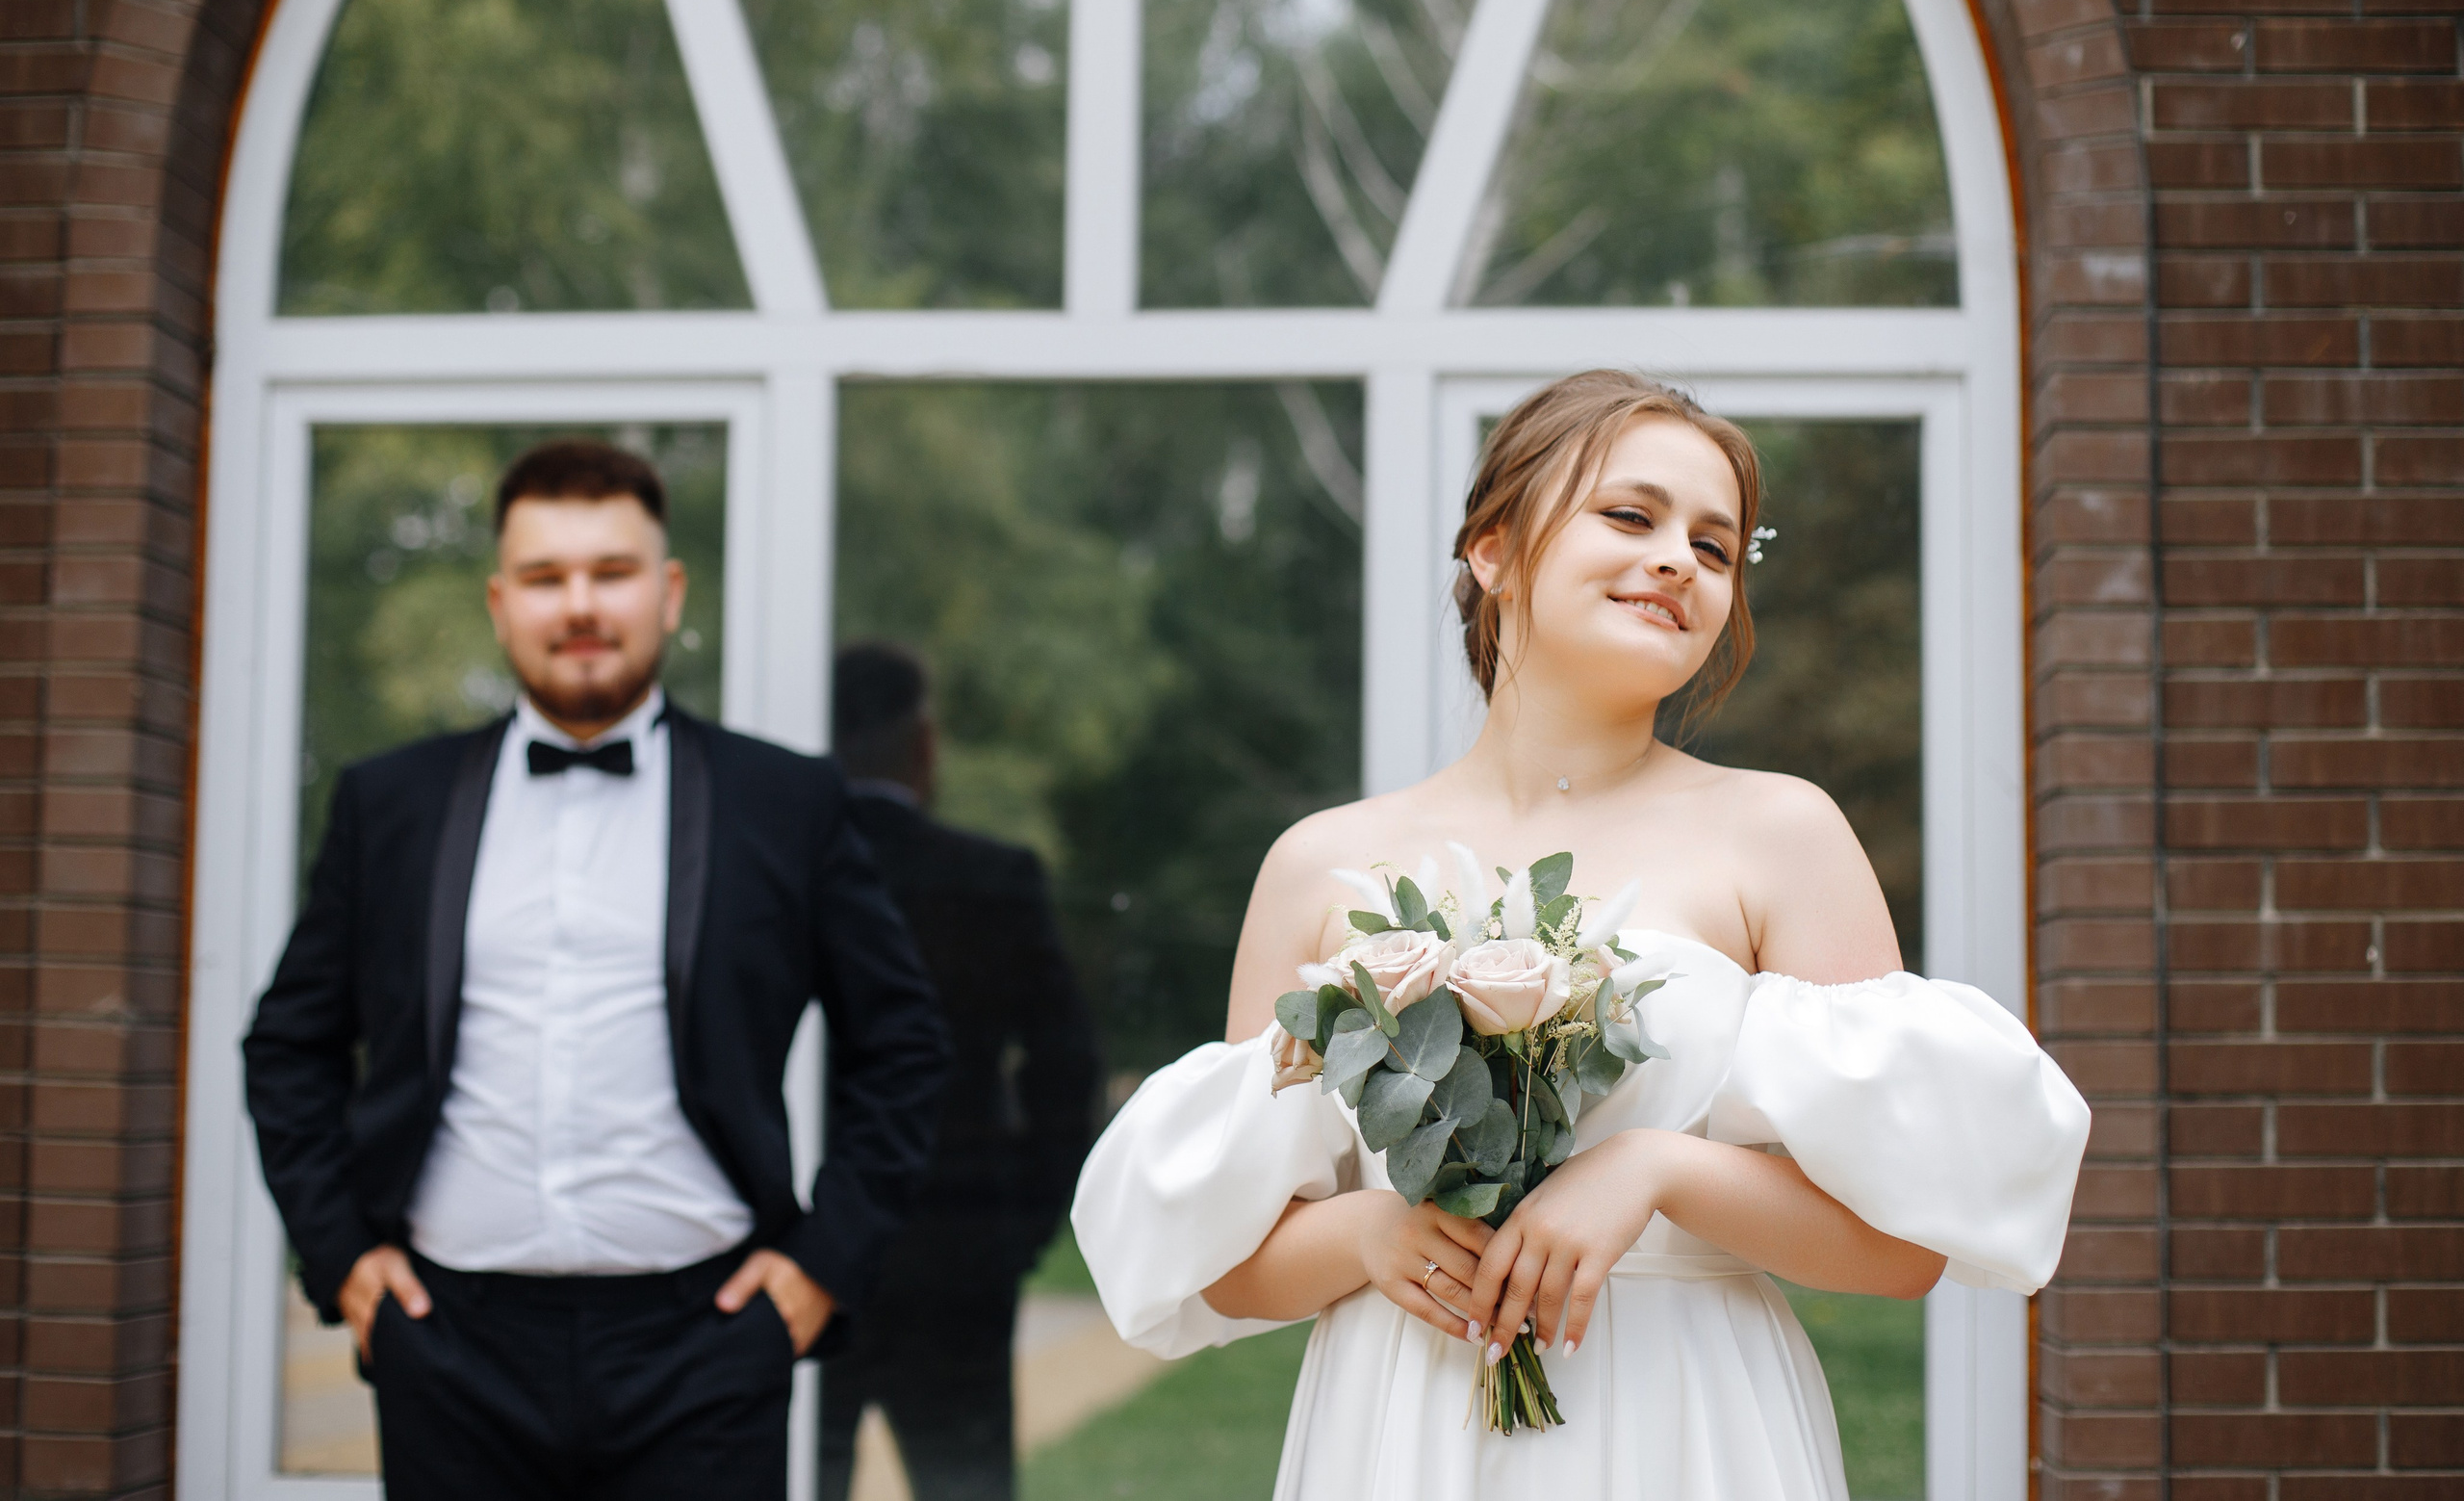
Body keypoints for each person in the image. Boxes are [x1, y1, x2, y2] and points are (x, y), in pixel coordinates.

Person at [1071, 373, 2090, 1500]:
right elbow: (1229, 1261)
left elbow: (1898, 1252)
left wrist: (1656, 1171)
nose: (1678, 562)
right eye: (1630, 516)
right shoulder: (1318, 866)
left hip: (1685, 1423)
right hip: (1401, 1427)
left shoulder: (1783, 835)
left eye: (1715, 547)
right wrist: (1366, 1236)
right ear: (1493, 550)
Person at [244, 438, 952, 1500]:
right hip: (448, 1349)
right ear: (499, 601)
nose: (579, 604)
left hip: (705, 1350)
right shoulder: (391, 804)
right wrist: (342, 1257)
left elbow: (901, 1046)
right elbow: (289, 1044)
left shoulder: (784, 804)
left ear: (667, 594)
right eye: (545, 577)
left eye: (611, 572)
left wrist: (819, 1270)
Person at [818, 643, 1102, 1501]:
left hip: (811, 1243)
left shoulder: (791, 874)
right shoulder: (991, 878)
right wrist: (1021, 1220)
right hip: (960, 1247)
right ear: (924, 744)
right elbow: (1067, 1065)